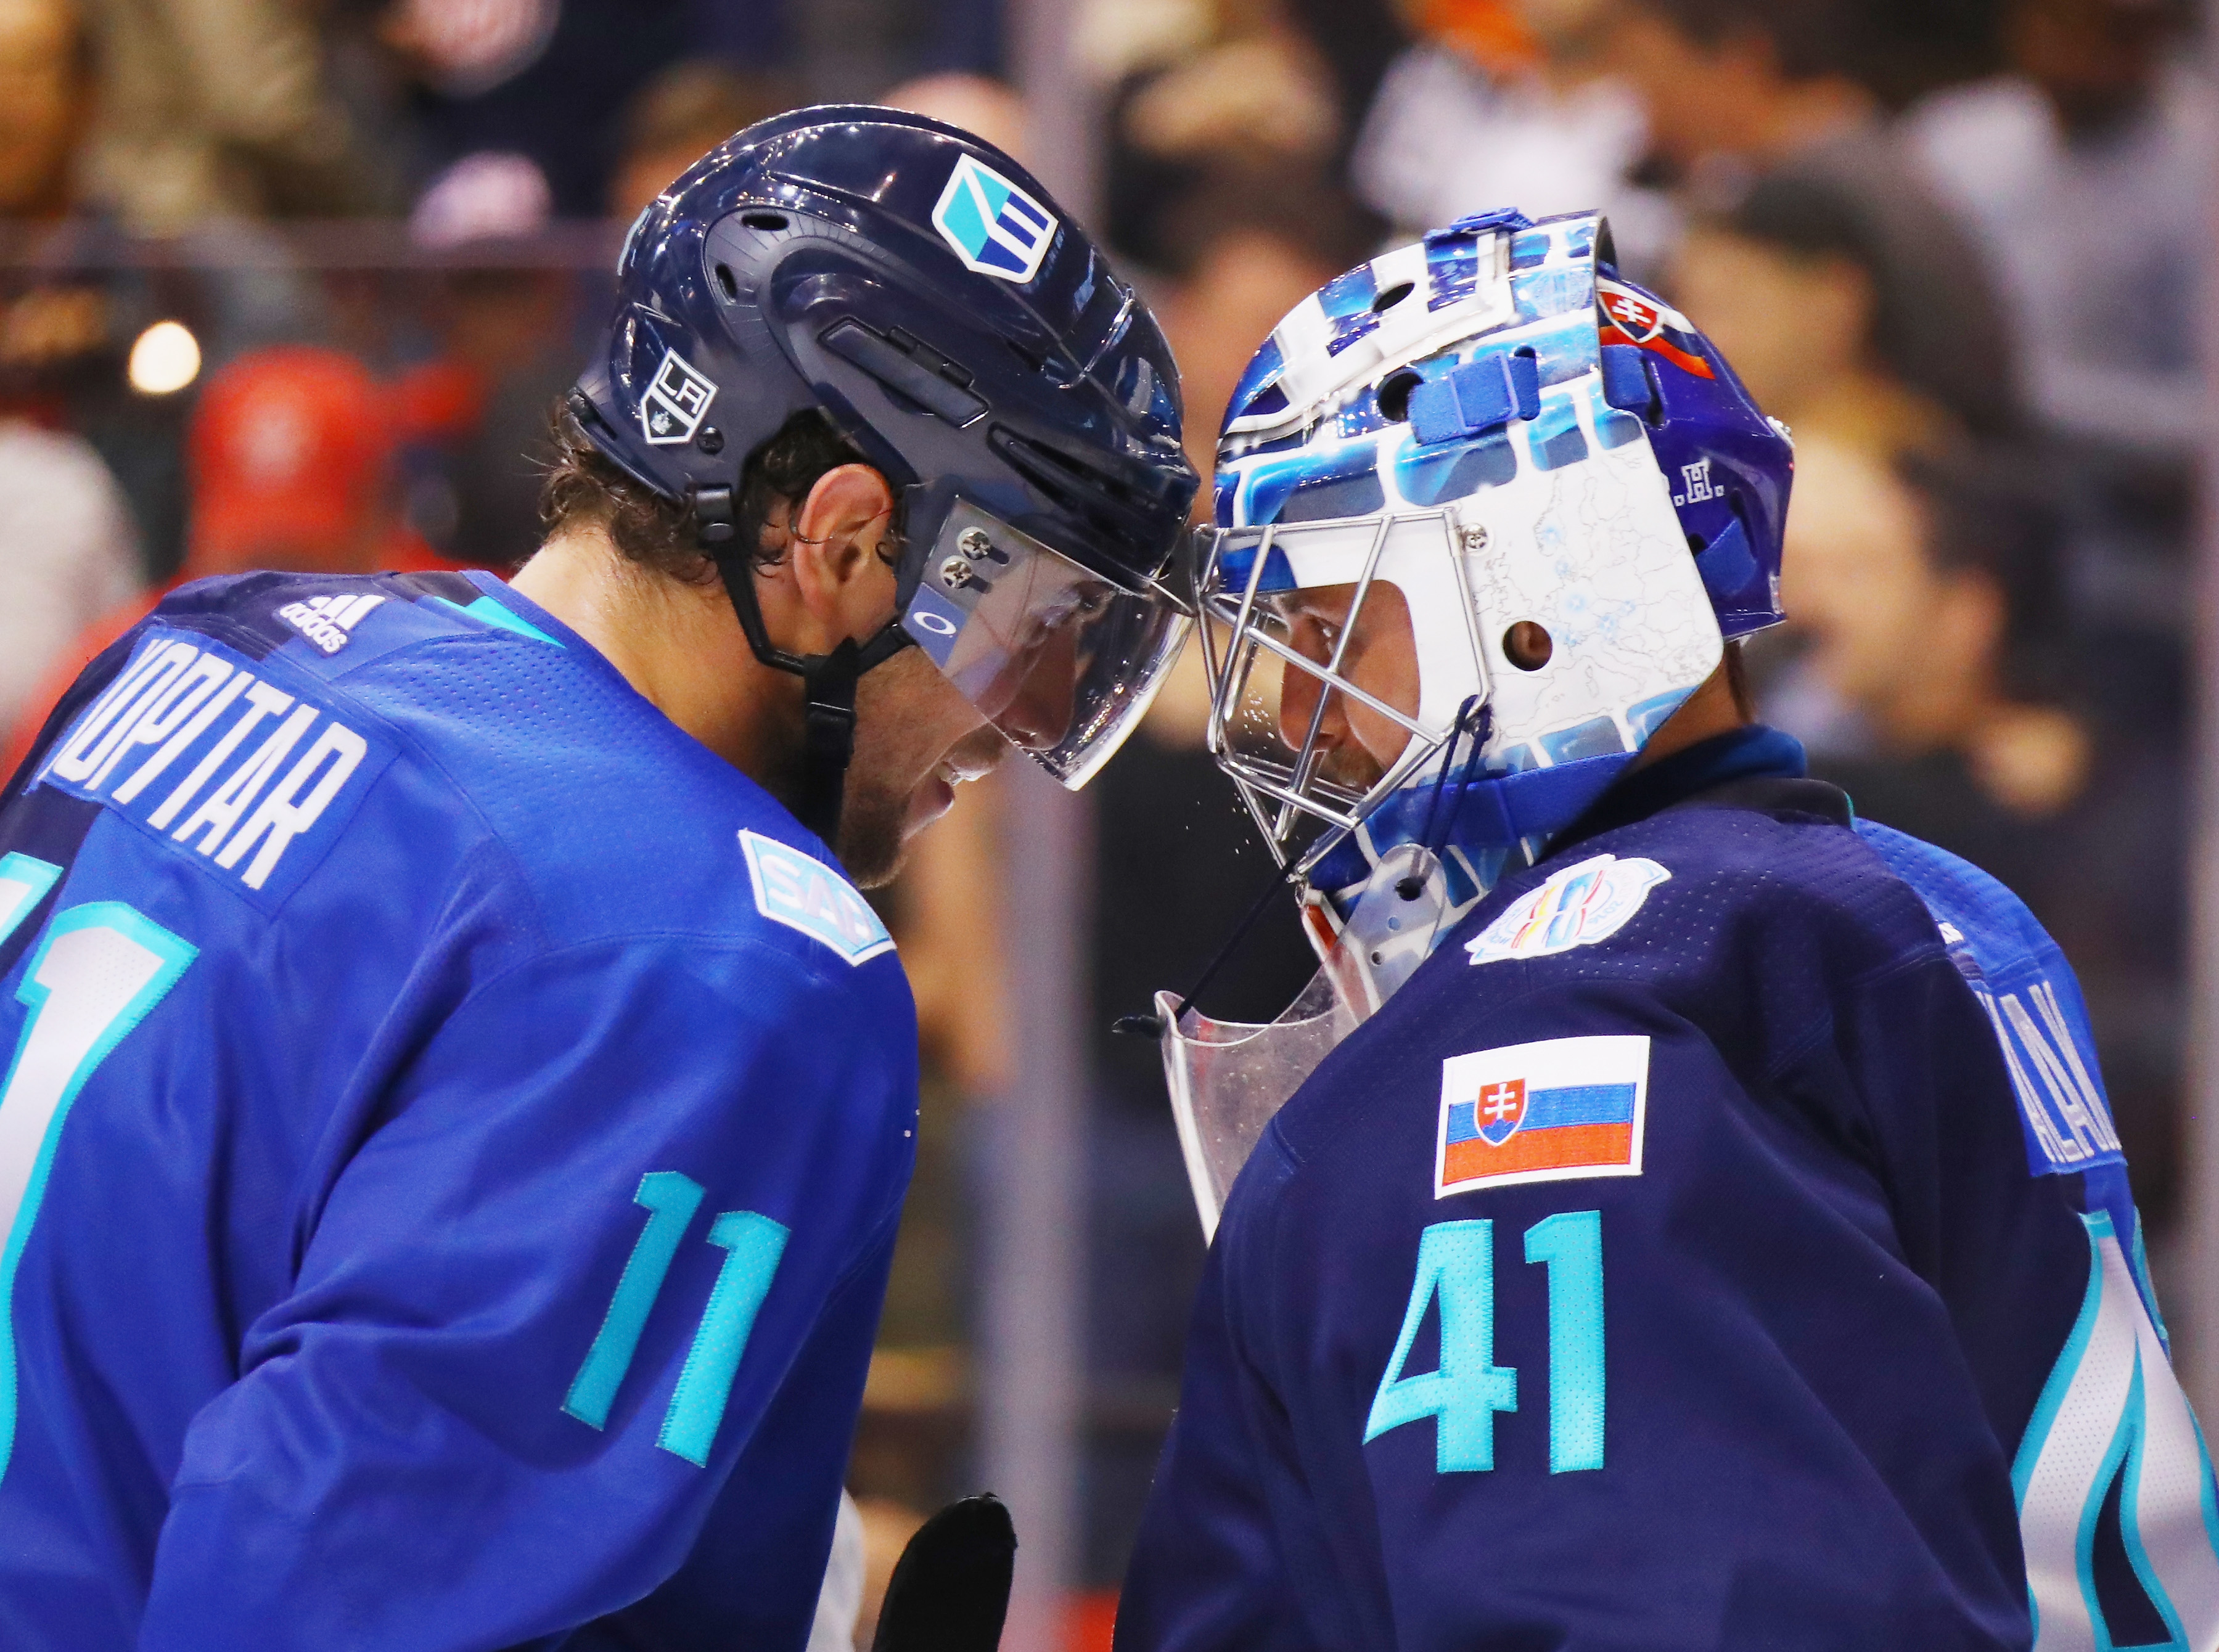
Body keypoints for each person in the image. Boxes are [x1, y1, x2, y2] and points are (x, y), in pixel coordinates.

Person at [0, 106, 1198, 1649]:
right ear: (841, 542)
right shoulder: (721, 950)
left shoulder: (220, 644)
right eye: (1028, 623)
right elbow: (324, 1597)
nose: (1018, 725)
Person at [1115, 210, 2211, 1648]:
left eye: (1331, 623)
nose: (1291, 712)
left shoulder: (1571, 1008)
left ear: (1538, 593)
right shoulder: (1927, 906)